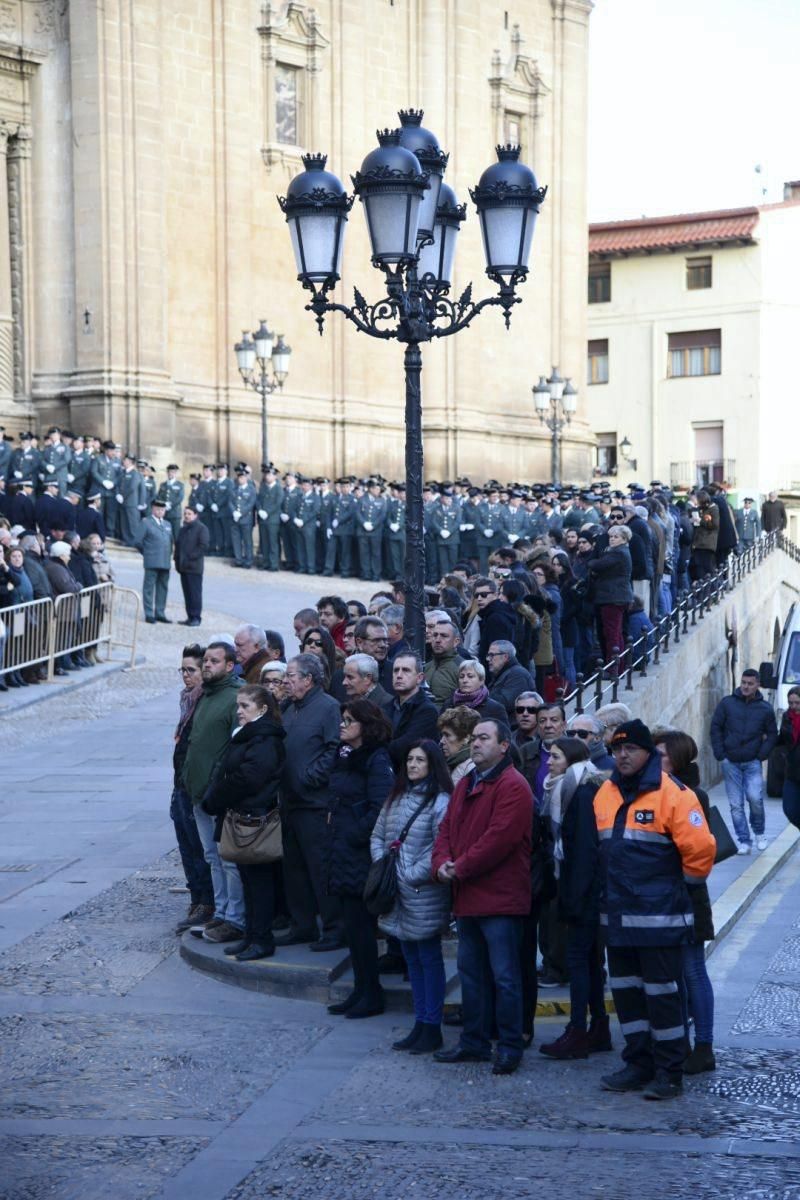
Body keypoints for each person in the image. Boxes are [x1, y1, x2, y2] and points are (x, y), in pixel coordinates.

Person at [594, 719, 716, 1099]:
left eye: (630, 748)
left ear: (647, 752)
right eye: (617, 749)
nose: (623, 755)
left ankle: (670, 1072)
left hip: (660, 920)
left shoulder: (675, 794)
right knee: (628, 997)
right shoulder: (606, 794)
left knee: (663, 998)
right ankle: (638, 1063)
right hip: (619, 920)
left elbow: (701, 851)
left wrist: (679, 892)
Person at [432, 719, 533, 1075]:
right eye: (473, 738)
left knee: (505, 976)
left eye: (483, 738)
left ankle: (508, 1045)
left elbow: (499, 839)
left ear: (504, 746)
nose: (475, 743)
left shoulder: (513, 786)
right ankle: (473, 1041)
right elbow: (446, 828)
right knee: (470, 972)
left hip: (500, 897)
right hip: (469, 895)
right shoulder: (466, 784)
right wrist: (442, 861)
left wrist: (458, 867)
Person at [372, 740, 453, 1053]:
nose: (413, 765)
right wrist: (384, 866)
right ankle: (420, 1021)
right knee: (411, 959)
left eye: (420, 760)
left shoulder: (440, 801)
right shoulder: (396, 797)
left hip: (423, 891)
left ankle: (432, 1025)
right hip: (397, 891)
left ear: (432, 764)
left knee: (428, 958)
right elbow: (378, 835)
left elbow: (440, 845)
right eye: (409, 759)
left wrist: (409, 873)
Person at [200, 684, 286, 961]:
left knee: (259, 883)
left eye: (244, 706)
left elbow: (249, 777)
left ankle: (261, 938)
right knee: (248, 881)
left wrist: (217, 796)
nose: (239, 711)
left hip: (255, 819)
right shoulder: (251, 735)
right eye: (238, 706)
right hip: (242, 814)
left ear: (261, 709)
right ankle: (251, 935)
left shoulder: (264, 738)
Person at [538, 737, 611, 1059]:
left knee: (580, 962)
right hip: (583, 892)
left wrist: (573, 901)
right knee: (590, 962)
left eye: (554, 757)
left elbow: (583, 851)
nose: (549, 762)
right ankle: (598, 1027)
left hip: (584, 895)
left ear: (570, 760)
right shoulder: (569, 789)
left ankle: (579, 1029)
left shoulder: (579, 793)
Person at [325, 698, 395, 1016]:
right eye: (342, 719)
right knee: (352, 930)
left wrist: (353, 835)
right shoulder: (344, 756)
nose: (342, 725)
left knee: (363, 929)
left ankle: (372, 993)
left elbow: (380, 806)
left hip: (359, 853)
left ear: (364, 726)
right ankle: (360, 989)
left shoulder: (376, 759)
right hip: (342, 851)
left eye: (348, 720)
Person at [654, 729, 716, 1075]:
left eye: (660, 755)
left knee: (692, 971)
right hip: (666, 898)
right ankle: (681, 1041)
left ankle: (703, 1045)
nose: (653, 760)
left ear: (675, 760)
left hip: (687, 897)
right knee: (674, 974)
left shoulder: (690, 795)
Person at [278, 653, 343, 951]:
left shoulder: (328, 707)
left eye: (291, 676)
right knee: (294, 869)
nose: (285, 681)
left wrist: (310, 777)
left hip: (314, 804)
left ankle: (333, 928)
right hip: (289, 801)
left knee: (320, 868)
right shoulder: (288, 708)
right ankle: (302, 925)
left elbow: (334, 749)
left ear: (308, 679)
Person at [182, 641, 245, 942]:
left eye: (214, 661)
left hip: (219, 796)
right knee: (212, 857)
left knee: (227, 859)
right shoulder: (205, 695)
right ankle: (220, 913)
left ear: (229, 666)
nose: (207, 665)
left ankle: (234, 917)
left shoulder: (235, 697)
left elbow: (234, 748)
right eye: (205, 661)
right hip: (197, 794)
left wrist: (216, 787)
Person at [710, 668, 777, 853]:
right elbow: (715, 728)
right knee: (735, 805)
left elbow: (772, 735)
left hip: (752, 762)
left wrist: (761, 755)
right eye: (744, 682)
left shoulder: (765, 709)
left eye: (750, 683)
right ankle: (744, 841)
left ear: (757, 685)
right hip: (730, 762)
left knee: (755, 798)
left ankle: (760, 833)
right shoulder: (727, 703)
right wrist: (720, 754)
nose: (746, 686)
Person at [172, 645, 214, 935]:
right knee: (186, 844)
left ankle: (206, 901)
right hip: (180, 783)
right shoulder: (186, 700)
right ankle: (196, 897)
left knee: (200, 847)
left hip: (195, 785)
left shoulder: (205, 701)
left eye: (191, 670)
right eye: (183, 670)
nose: (186, 676)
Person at [588, 522, 633, 669]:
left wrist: (593, 562)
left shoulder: (618, 552)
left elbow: (596, 564)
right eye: (611, 536)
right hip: (616, 596)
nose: (612, 539)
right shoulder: (618, 551)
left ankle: (613, 667)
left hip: (613, 597)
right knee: (616, 632)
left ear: (624, 539)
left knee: (612, 633)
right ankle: (618, 665)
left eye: (616, 537)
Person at [383, 651, 440, 769]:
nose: (399, 675)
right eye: (396, 670)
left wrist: (377, 748)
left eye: (406, 670)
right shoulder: (387, 707)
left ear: (419, 678)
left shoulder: (427, 711)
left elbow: (406, 747)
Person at [136, 496, 173, 625]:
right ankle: (149, 613)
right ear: (153, 509)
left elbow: (170, 541)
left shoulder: (168, 524)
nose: (160, 512)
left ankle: (160, 613)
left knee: (163, 588)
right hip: (151, 560)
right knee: (149, 588)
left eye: (162, 510)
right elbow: (138, 541)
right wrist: (147, 553)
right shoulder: (146, 522)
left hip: (165, 561)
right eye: (157, 509)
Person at [174, 505, 209, 627]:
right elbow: (178, 546)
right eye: (185, 514)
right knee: (187, 593)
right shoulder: (183, 529)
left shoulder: (201, 528)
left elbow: (203, 546)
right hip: (183, 567)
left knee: (195, 594)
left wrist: (190, 558)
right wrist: (177, 560)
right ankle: (189, 616)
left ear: (195, 515)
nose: (187, 516)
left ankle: (196, 617)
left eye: (189, 514)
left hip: (194, 567)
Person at [486, 639, 536, 722]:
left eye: (492, 655)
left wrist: (481, 694)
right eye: (488, 655)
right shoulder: (503, 673)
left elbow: (504, 704)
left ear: (505, 657)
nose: (488, 659)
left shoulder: (518, 675)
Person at [445, 658, 507, 722]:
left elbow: (502, 731)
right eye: (461, 676)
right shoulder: (449, 704)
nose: (465, 680)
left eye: (470, 676)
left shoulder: (495, 709)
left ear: (481, 680)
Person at [423, 618, 464, 706]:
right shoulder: (425, 667)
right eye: (435, 635)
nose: (437, 640)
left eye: (444, 636)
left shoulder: (463, 668)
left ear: (456, 641)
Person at [777, 686, 800, 832]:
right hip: (792, 772)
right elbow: (782, 739)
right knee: (789, 809)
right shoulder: (787, 718)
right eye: (790, 703)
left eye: (797, 703)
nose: (793, 707)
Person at [438, 705, 480, 784]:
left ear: (466, 738)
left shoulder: (471, 770)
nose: (441, 741)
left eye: (447, 735)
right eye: (442, 735)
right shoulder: (450, 763)